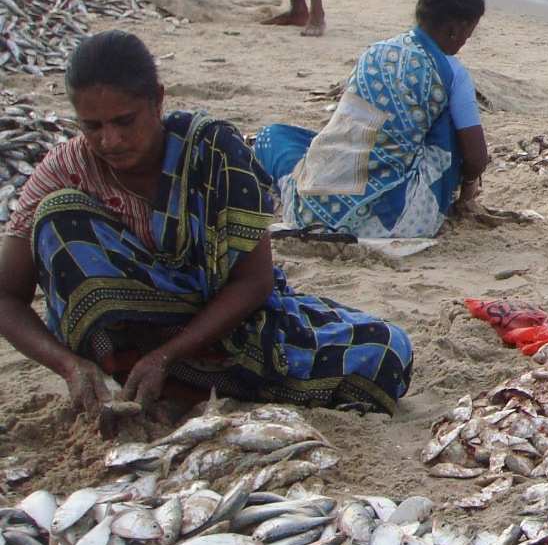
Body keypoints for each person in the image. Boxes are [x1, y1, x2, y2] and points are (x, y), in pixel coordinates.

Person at [0, 32, 414, 424]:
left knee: (387, 352)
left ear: (157, 101)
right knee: (57, 215)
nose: (110, 141)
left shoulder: (213, 154)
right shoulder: (66, 170)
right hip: (120, 348)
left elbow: (255, 282)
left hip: (222, 332)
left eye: (125, 121)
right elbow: (6, 295)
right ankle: (135, 381)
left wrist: (167, 355)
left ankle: (180, 384)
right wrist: (69, 365)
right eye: (93, 126)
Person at [255, 0, 488, 239]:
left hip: (310, 211)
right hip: (397, 218)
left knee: (273, 135)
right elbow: (476, 158)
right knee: (450, 122)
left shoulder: (375, 53)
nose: (467, 39)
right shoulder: (452, 72)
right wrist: (469, 184)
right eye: (469, 32)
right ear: (455, 28)